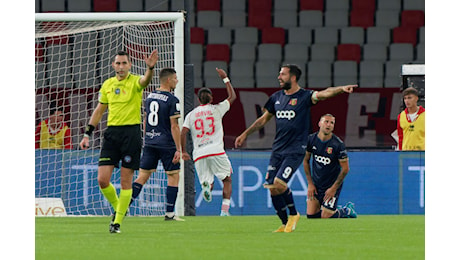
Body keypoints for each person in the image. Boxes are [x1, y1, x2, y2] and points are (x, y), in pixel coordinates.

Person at [234, 64, 357, 232]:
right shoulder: (276, 98)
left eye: (282, 74)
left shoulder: (304, 96)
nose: (279, 77)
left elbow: (323, 93)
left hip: (295, 149)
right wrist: (245, 134)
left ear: (292, 77)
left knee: (279, 182)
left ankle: (293, 214)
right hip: (277, 149)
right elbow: (263, 120)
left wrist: (341, 89)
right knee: (272, 188)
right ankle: (285, 224)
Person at [79, 49, 159, 233]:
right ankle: (119, 208)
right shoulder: (108, 84)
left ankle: (117, 222)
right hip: (112, 134)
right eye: (118, 63)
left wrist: (150, 68)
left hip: (131, 134)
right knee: (102, 180)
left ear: (129, 65)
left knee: (125, 182)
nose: (121, 67)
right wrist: (87, 134)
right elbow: (99, 111)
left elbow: (145, 81)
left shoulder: (135, 81)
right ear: (113, 65)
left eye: (124, 63)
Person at [129, 68, 184, 221]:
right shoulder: (173, 100)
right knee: (173, 177)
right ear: (169, 80)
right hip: (167, 144)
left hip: (150, 142)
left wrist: (147, 139)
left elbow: (146, 120)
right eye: (175, 78)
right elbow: (174, 126)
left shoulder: (149, 97)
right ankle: (169, 214)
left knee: (142, 177)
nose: (177, 81)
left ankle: (124, 208)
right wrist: (178, 149)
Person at [181, 68, 236, 216]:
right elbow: (232, 97)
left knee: (208, 182)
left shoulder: (191, 115)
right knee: (227, 180)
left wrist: (183, 151)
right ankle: (224, 211)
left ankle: (207, 187)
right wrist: (225, 79)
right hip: (216, 150)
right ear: (211, 98)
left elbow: (183, 132)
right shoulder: (217, 109)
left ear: (198, 100)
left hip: (199, 153)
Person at [303, 114, 357, 219]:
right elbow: (305, 161)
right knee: (311, 216)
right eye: (326, 121)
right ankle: (332, 209)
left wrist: (333, 188)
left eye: (332, 123)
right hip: (316, 184)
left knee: (325, 216)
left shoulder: (337, 144)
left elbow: (345, 169)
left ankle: (345, 211)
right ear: (319, 123)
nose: (329, 125)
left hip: (331, 185)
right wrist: (310, 184)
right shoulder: (311, 140)